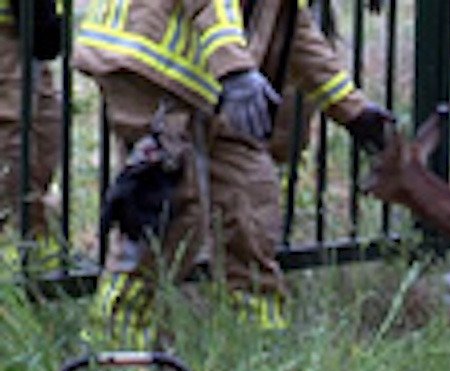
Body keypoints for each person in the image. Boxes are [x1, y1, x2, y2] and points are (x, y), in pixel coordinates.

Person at [74, 0, 392, 349]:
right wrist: (235, 69)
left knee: (250, 199)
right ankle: (117, 337)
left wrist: (352, 109)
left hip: (212, 80)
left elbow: (291, 27)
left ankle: (260, 341)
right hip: (150, 61)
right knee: (171, 209)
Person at [0, 0, 64, 274]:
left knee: (46, 131)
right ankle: (22, 238)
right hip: (9, 31)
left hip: (27, 28)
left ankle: (34, 235)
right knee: (14, 141)